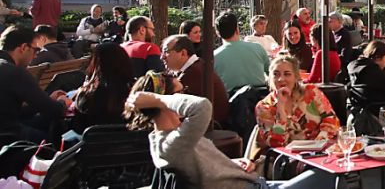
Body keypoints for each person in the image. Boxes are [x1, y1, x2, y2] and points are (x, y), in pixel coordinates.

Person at [125, 72, 341, 188]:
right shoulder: (172, 145)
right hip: (257, 185)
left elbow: (205, 169)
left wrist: (231, 164)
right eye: (181, 94)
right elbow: (202, 107)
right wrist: (157, 98)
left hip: (255, 181)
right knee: (333, 178)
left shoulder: (175, 137)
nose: (185, 97)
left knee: (333, 174)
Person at [0, 26, 70, 142]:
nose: (36, 55)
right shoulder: (14, 72)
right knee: (58, 141)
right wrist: (63, 102)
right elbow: (54, 110)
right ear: (23, 47)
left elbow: (12, 111)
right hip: (9, 137)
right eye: (36, 50)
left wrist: (47, 99)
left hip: (8, 128)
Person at [255, 55, 340, 149]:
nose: (281, 79)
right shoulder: (264, 106)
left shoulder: (311, 92)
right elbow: (275, 143)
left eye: (287, 74)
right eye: (276, 74)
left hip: (320, 150)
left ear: (296, 77)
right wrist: (281, 108)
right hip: (286, 157)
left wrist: (317, 144)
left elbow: (332, 121)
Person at [162, 34, 229, 125]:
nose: (162, 57)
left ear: (183, 53)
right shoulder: (197, 67)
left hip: (210, 129)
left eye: (166, 51)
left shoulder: (193, 73)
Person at [69, 42, 134, 134]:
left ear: (97, 63)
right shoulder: (136, 92)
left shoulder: (88, 94)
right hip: (132, 146)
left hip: (94, 146)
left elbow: (78, 127)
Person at [214, 12, 270, 93]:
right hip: (260, 100)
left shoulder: (214, 57)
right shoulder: (258, 48)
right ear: (237, 29)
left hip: (230, 102)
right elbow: (271, 73)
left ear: (218, 33)